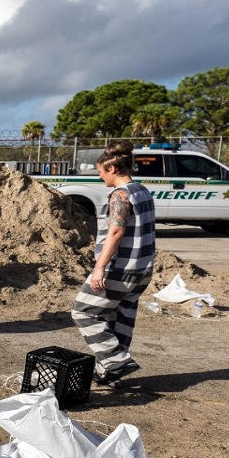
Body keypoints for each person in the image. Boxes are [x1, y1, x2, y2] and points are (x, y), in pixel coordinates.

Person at [71, 139, 156, 385]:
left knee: (83, 311)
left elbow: (116, 232)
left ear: (112, 169)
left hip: (121, 268)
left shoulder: (120, 194)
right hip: (142, 268)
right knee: (119, 317)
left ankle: (116, 360)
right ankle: (109, 372)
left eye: (100, 172)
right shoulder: (142, 190)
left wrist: (100, 268)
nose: (100, 178)